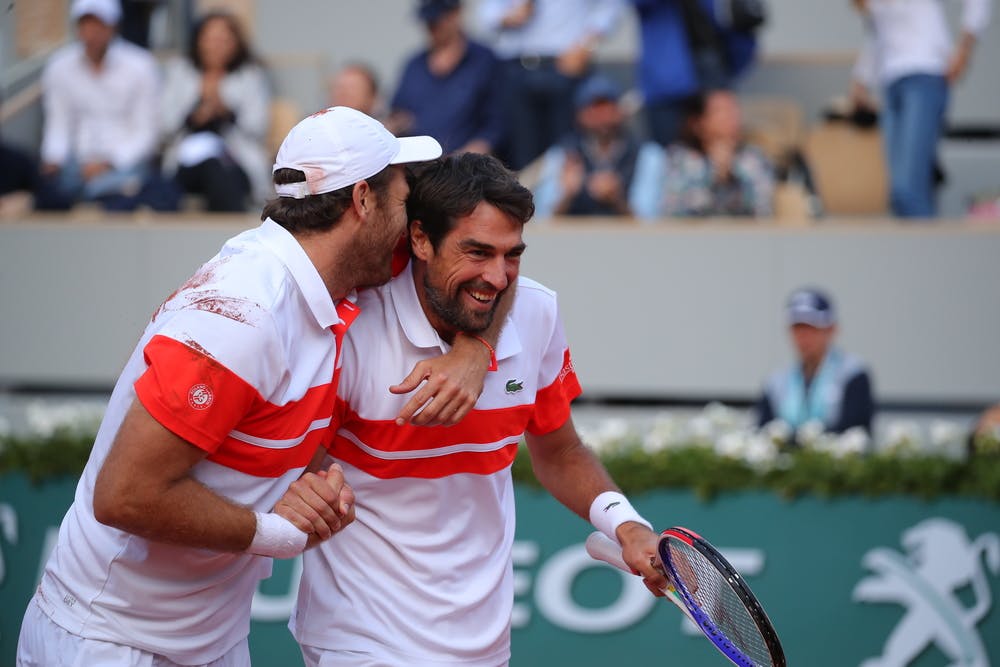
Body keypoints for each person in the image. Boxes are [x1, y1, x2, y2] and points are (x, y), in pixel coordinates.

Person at [15, 107, 504, 667]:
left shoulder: (325, 272)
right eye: (401, 195)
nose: (409, 211)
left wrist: (473, 351)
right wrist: (277, 532)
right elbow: (125, 494)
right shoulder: (242, 316)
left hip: (208, 640)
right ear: (363, 201)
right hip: (110, 643)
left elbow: (500, 267)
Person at [290, 152, 664, 666]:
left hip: (484, 644)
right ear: (420, 239)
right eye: (477, 252)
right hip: (358, 636)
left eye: (512, 255)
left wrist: (627, 525)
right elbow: (295, 462)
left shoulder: (536, 312)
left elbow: (559, 450)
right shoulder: (350, 322)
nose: (498, 276)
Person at [848, 0, 991, 218]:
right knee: (898, 192)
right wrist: (861, 79)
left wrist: (964, 50)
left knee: (909, 189)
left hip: (924, 76)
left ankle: (930, 250)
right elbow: (878, 36)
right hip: (892, 84)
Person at [36, 0, 167, 212]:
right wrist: (53, 160)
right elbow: (57, 124)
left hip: (126, 164)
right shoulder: (59, 66)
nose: (91, 32)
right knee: (49, 190)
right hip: (76, 166)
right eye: (85, 24)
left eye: (98, 24)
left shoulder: (141, 65)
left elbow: (146, 132)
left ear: (113, 26)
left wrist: (109, 163)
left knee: (125, 184)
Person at [477, 0, 626, 170]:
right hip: (514, 66)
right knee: (519, 158)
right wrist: (506, 17)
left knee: (567, 154)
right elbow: (487, 15)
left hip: (564, 65)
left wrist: (586, 45)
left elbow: (611, 6)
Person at [160, 11, 273, 211]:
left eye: (224, 39)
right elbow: (164, 127)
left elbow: (257, 128)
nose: (216, 45)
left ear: (236, 43)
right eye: (210, 38)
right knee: (207, 168)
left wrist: (225, 110)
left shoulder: (249, 75)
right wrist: (194, 114)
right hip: (186, 161)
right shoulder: (180, 71)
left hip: (234, 158)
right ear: (198, 41)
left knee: (219, 172)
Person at [533, 73, 666, 219]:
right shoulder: (561, 154)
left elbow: (649, 221)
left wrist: (618, 199)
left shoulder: (648, 154)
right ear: (580, 115)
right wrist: (567, 195)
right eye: (594, 109)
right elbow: (542, 220)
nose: (603, 116)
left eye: (608, 107)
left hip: (629, 240)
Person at [630, 0, 758, 147]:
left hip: (713, 74)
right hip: (666, 87)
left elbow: (736, 22)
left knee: (721, 141)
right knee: (667, 153)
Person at [756, 287, 876, 441]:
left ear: (832, 329)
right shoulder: (776, 382)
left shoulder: (852, 374)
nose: (803, 337)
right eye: (797, 328)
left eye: (812, 328)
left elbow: (855, 433)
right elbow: (763, 434)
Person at [388, 0, 505, 155]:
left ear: (456, 14)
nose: (432, 28)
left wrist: (469, 157)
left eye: (437, 20)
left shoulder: (485, 61)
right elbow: (398, 112)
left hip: (468, 168)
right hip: (419, 166)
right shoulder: (414, 65)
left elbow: (498, 123)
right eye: (428, 22)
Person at [660, 89, 774, 217]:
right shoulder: (678, 159)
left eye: (734, 110)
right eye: (721, 111)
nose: (732, 117)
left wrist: (730, 177)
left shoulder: (754, 158)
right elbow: (673, 211)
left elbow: (763, 210)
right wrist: (713, 175)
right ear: (698, 123)